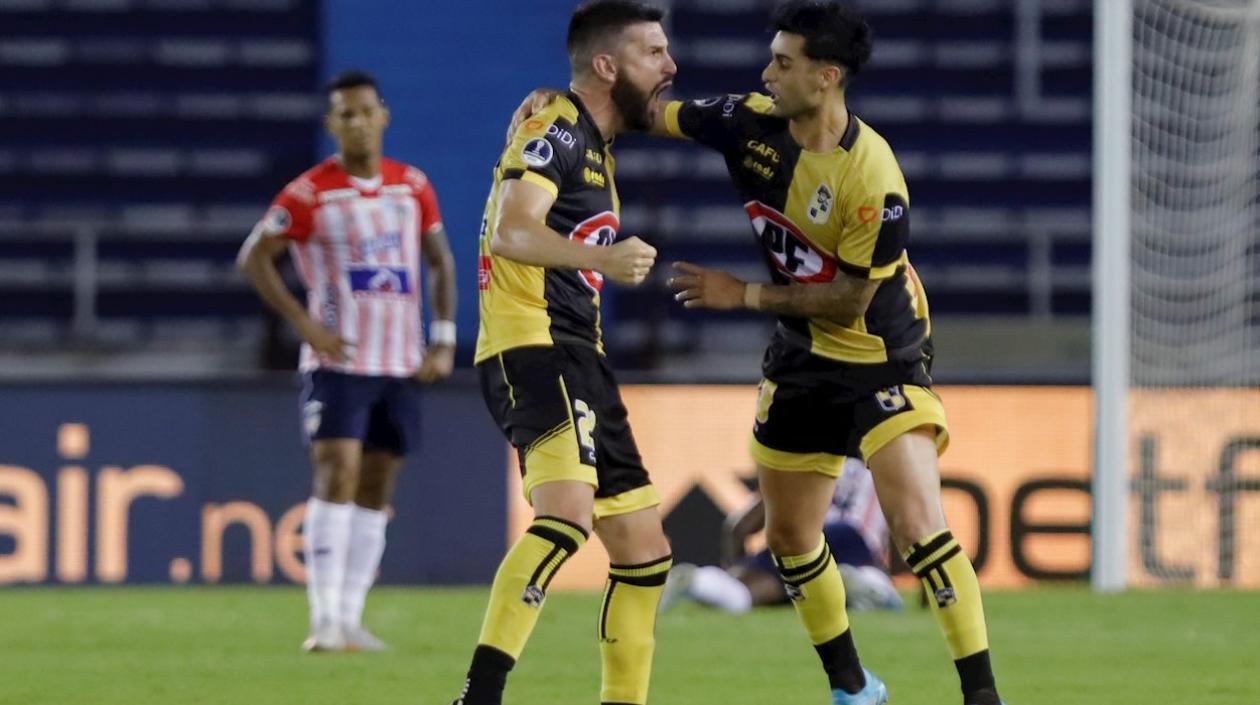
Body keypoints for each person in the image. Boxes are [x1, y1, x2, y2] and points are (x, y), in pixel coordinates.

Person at [511, 2, 1008, 704]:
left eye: (783, 62)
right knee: (790, 538)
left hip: (880, 354)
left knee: (919, 526)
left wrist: (741, 295)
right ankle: (853, 688)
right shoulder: (746, 122)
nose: (766, 72)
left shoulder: (874, 177)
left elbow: (850, 300)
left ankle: (983, 694)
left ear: (826, 76)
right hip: (800, 358)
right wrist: (558, 106)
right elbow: (639, 110)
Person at [450, 3, 677, 705]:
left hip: (578, 353)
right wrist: (599, 257)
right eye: (654, 53)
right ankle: (479, 695)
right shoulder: (555, 130)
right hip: (533, 344)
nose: (669, 66)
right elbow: (510, 233)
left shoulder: (587, 139)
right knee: (565, 517)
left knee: (644, 553)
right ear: (607, 66)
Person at [237, 69, 457, 653]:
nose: (357, 123)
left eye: (366, 112)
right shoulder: (310, 193)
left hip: (399, 362)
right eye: (345, 114)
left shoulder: (411, 185)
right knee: (335, 470)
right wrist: (305, 323)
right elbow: (254, 258)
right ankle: (325, 619)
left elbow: (440, 261)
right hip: (338, 362)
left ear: (383, 116)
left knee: (377, 485)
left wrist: (444, 340)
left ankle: (351, 619)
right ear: (330, 124)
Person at [662, 457, 902, 614]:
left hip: (796, 537)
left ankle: (699, 581)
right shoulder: (877, 474)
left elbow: (739, 527)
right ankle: (855, 581)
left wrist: (741, 568)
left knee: (746, 592)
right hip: (850, 536)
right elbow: (909, 531)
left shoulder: (798, 469)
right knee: (871, 581)